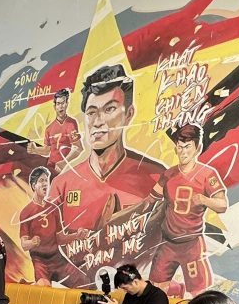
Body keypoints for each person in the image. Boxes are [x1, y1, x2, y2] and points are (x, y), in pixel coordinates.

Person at [48, 65, 165, 235]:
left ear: (129, 114)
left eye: (109, 109)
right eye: (91, 112)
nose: (97, 121)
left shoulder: (158, 178)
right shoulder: (62, 186)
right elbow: (47, 244)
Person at [146, 123, 228, 298]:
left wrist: (204, 200)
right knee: (155, 291)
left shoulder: (207, 174)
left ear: (198, 148)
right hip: (167, 242)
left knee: (198, 294)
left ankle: (182, 293)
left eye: (188, 146)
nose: (183, 152)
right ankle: (177, 291)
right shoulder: (168, 174)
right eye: (180, 147)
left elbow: (222, 205)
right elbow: (151, 199)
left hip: (192, 244)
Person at [18, 166, 83, 286]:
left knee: (84, 282)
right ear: (33, 186)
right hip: (40, 261)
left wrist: (76, 236)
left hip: (57, 259)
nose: (45, 184)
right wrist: (32, 242)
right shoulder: (26, 212)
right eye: (41, 181)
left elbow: (60, 239)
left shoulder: (54, 209)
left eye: (46, 181)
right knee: (44, 288)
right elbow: (24, 245)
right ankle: (30, 285)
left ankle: (31, 284)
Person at [30, 88, 82, 173]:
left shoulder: (71, 123)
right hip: (50, 168)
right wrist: (35, 150)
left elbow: (78, 148)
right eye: (58, 104)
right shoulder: (49, 128)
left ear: (67, 104)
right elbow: (47, 151)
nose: (61, 106)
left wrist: (64, 163)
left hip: (65, 169)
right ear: (55, 107)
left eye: (63, 103)